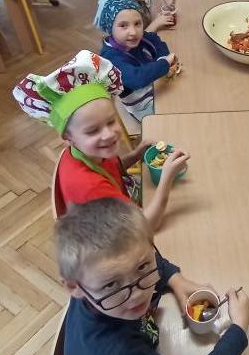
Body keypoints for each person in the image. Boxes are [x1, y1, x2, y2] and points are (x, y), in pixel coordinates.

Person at [56, 197, 249, 355]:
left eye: (142, 267)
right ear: (74, 287)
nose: (137, 295)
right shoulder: (110, 354)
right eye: (111, 285)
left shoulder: (96, 281)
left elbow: (152, 258)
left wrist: (177, 281)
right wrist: (238, 330)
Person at [11, 50, 187, 230]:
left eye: (111, 121)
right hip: (122, 233)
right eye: (93, 131)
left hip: (122, 202)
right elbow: (146, 226)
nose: (108, 134)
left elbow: (112, 169)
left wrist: (136, 153)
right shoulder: (90, 187)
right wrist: (166, 179)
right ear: (68, 138)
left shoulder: (89, 150)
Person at [98, 0, 179, 121]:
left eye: (137, 24)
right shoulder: (110, 58)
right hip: (142, 105)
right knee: (171, 120)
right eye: (123, 26)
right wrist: (164, 63)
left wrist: (162, 58)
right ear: (110, 28)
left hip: (156, 85)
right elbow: (136, 79)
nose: (133, 32)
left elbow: (156, 41)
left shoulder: (140, 37)